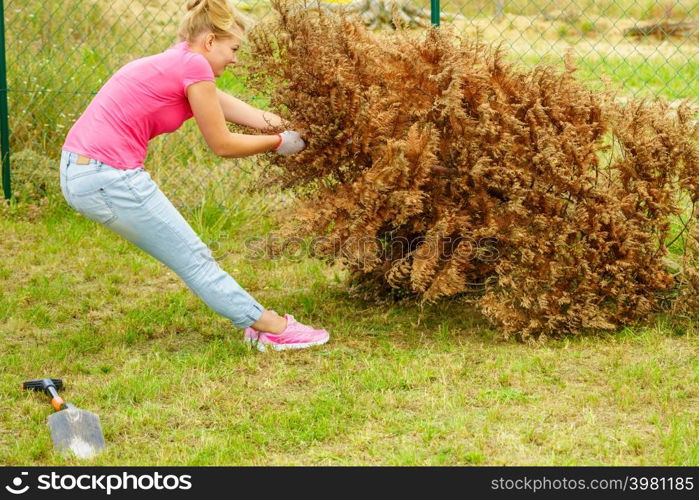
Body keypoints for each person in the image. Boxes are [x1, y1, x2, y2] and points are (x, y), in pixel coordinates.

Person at [59, 0, 329, 352]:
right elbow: (223, 144)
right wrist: (279, 143)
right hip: (107, 177)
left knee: (192, 255)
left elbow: (248, 114)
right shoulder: (193, 67)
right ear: (209, 42)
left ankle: (259, 323)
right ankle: (271, 328)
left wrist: (306, 131)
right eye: (233, 49)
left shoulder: (180, 62)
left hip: (85, 172)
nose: (235, 59)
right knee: (194, 258)